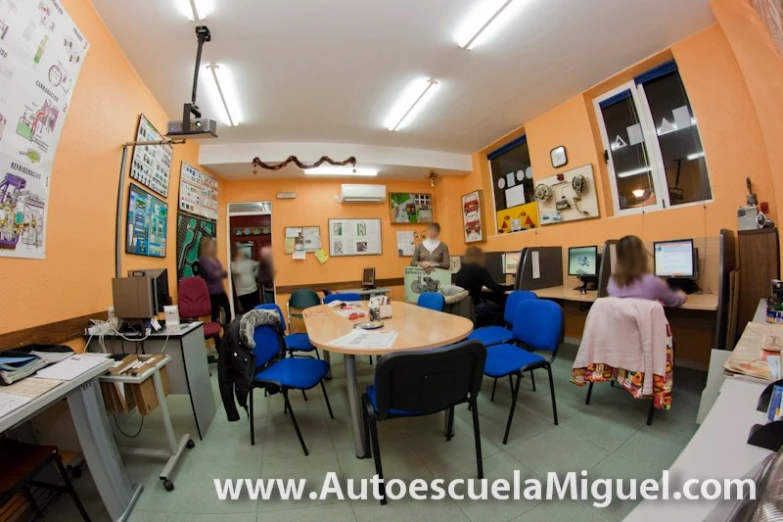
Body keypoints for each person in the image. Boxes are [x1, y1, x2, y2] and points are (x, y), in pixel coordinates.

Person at [607, 235, 687, 307]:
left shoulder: (612, 281)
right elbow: (675, 301)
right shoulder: (652, 282)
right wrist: (682, 295)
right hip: (644, 323)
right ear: (642, 255)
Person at [455, 246, 513, 326]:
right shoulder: (478, 269)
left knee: (490, 301)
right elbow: (497, 289)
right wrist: (514, 286)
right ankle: (494, 330)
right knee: (501, 308)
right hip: (474, 305)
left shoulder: (462, 269)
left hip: (462, 307)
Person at [198, 237, 231, 322]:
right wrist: (220, 272)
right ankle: (217, 334)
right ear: (206, 247)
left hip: (221, 291)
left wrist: (219, 273)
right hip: (211, 292)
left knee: (228, 313)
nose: (214, 247)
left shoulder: (215, 259)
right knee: (215, 315)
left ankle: (227, 332)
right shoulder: (203, 259)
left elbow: (225, 274)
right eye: (211, 245)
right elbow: (211, 274)